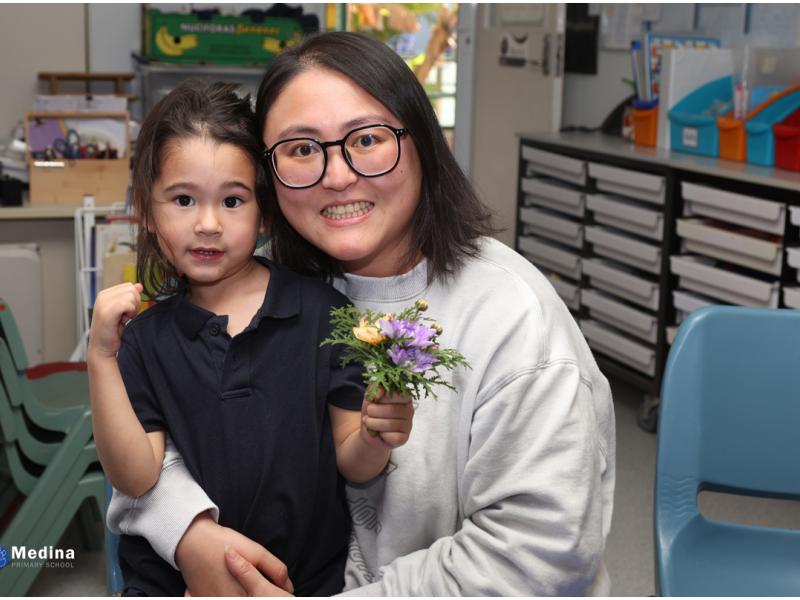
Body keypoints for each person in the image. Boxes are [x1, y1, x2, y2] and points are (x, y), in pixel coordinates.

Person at [107, 32, 616, 596]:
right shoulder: (255, 284)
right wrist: (190, 533)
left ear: (423, 139)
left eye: (368, 139)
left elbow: (536, 560)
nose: (338, 175)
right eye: (301, 149)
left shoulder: (515, 319)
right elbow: (155, 445)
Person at [90, 79, 414, 597]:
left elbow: (353, 462)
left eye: (233, 200)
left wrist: (378, 433)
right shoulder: (144, 341)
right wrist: (102, 358)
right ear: (147, 213)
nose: (209, 224)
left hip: (301, 582)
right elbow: (135, 478)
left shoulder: (324, 314)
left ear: (265, 212)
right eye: (183, 199)